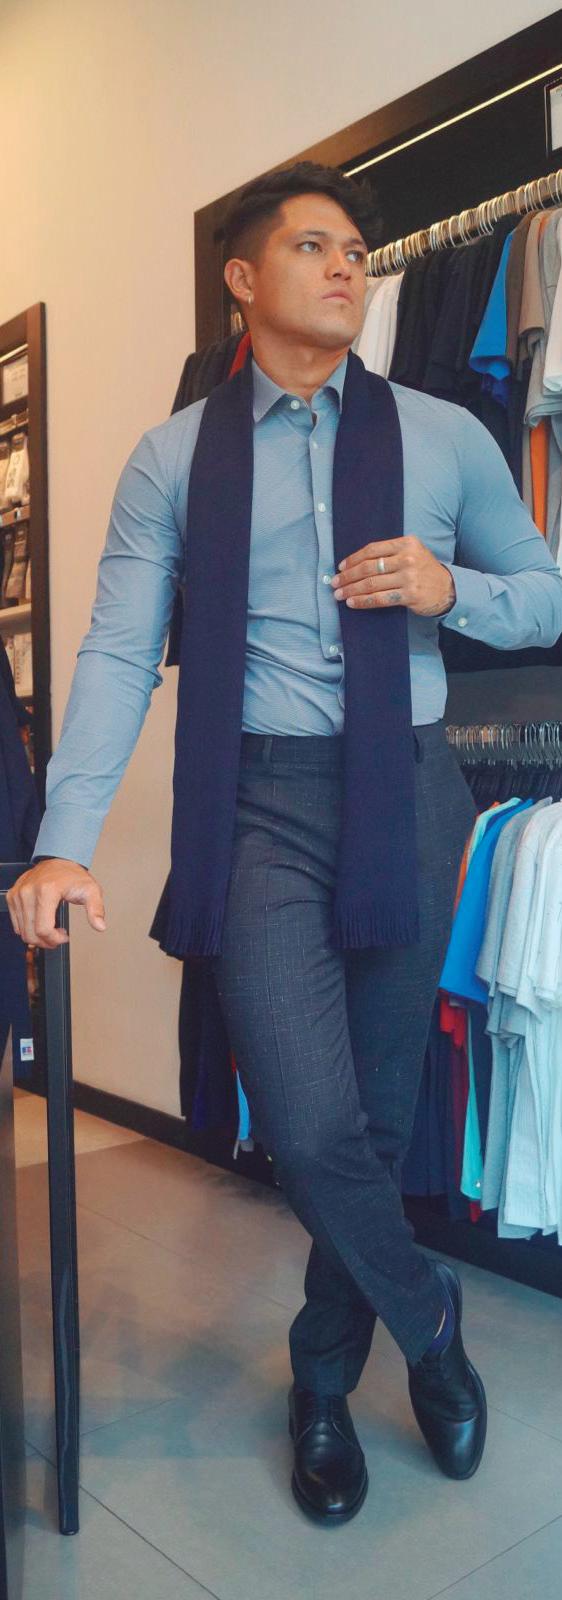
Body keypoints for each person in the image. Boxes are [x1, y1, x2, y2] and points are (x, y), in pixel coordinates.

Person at [7, 162, 562, 1527]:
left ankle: (321, 1384)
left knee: (376, 1118)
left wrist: (450, 586)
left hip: (409, 793)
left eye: (356, 247)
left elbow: (545, 595)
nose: (347, 264)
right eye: (313, 245)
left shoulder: (443, 435)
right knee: (309, 1123)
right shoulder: (172, 459)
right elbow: (120, 653)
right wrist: (61, 840)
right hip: (255, 803)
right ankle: (429, 1318)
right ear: (242, 279)